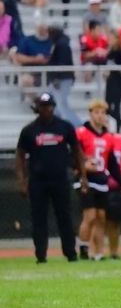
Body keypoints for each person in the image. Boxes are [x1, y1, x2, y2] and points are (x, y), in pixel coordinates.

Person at [15, 93, 84, 263]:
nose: (47, 109)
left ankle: (70, 253)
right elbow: (20, 156)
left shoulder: (65, 127)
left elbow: (77, 151)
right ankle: (41, 255)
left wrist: (82, 174)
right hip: (38, 181)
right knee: (39, 218)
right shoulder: (29, 130)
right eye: (43, 106)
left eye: (49, 106)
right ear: (37, 108)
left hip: (60, 179)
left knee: (65, 217)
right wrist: (22, 181)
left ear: (53, 107)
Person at [76, 99, 121, 261]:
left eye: (103, 113)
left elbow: (112, 164)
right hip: (86, 179)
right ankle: (83, 247)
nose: (100, 116)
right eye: (96, 112)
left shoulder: (108, 137)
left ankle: (98, 253)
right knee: (90, 215)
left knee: (101, 217)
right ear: (90, 114)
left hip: (101, 179)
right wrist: (84, 165)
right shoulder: (81, 133)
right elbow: (73, 157)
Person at [47, 26, 81, 127]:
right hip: (62, 78)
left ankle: (77, 124)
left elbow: (62, 63)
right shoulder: (62, 43)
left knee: (61, 104)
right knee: (56, 103)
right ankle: (55, 123)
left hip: (62, 78)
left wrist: (56, 78)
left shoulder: (62, 44)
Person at [13, 14, 51, 89]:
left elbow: (56, 58)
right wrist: (35, 59)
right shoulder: (26, 40)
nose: (42, 30)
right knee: (25, 80)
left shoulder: (53, 42)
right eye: (40, 28)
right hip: (30, 72)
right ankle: (37, 99)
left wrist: (45, 60)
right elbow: (19, 57)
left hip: (49, 73)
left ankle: (44, 99)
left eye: (44, 28)